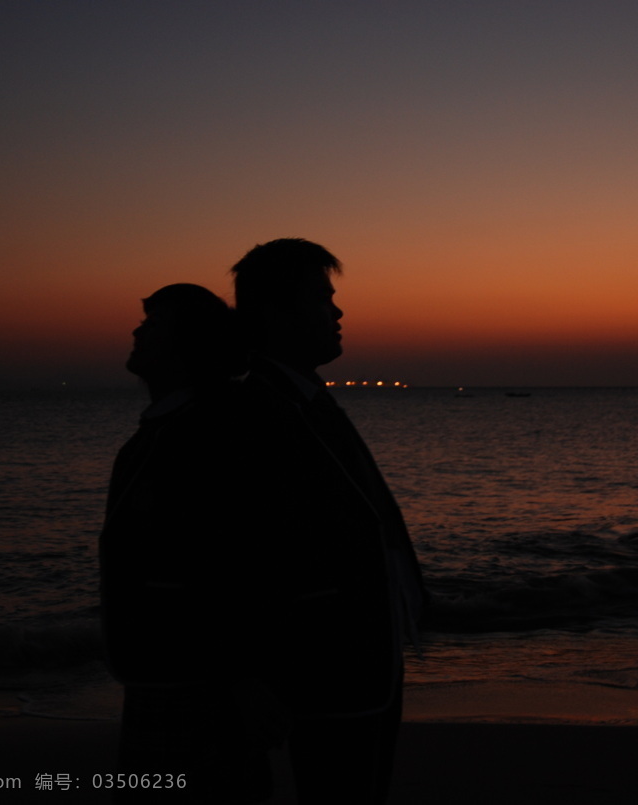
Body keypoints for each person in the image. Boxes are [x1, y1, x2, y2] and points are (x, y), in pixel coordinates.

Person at [229, 238, 427, 804]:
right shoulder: (258, 412)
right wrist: (243, 673)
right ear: (275, 312)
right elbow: (227, 550)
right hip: (323, 670)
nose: (336, 312)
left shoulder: (309, 401)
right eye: (321, 298)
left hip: (364, 662)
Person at [99, 283, 274, 803]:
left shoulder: (206, 431)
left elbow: (236, 560)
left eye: (153, 326)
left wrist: (246, 679)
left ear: (185, 346)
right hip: (167, 673)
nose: (137, 332)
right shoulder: (167, 429)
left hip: (196, 681)